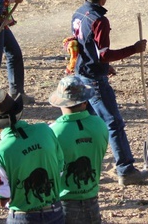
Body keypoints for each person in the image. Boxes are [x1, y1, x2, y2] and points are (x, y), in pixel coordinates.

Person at [71, 0, 148, 185]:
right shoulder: (100, 20)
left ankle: (77, 164)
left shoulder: (79, 13)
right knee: (113, 123)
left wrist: (105, 66)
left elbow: (84, 46)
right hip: (95, 79)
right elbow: (103, 54)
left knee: (82, 123)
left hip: (81, 73)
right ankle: (125, 169)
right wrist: (134, 49)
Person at [0, 90, 65, 221]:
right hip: (54, 211)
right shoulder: (45, 130)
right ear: (17, 113)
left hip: (23, 216)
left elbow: (2, 199)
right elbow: (60, 166)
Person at [49, 75, 108, 224]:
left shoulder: (54, 132)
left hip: (64, 203)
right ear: (85, 102)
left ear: (61, 103)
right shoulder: (99, 124)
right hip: (92, 201)